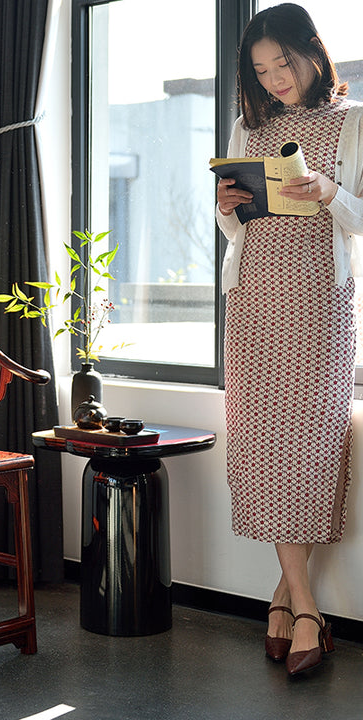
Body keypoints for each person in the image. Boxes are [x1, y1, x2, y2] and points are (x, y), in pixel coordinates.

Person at [216, 3, 363, 676]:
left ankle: (288, 601)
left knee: (309, 449)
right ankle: (303, 605)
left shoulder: (354, 121)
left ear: (313, 53)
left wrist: (329, 189)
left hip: (319, 304)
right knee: (264, 446)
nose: (275, 78)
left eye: (284, 63)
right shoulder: (250, 126)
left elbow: (359, 220)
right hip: (255, 301)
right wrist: (228, 209)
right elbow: (239, 233)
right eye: (261, 69)